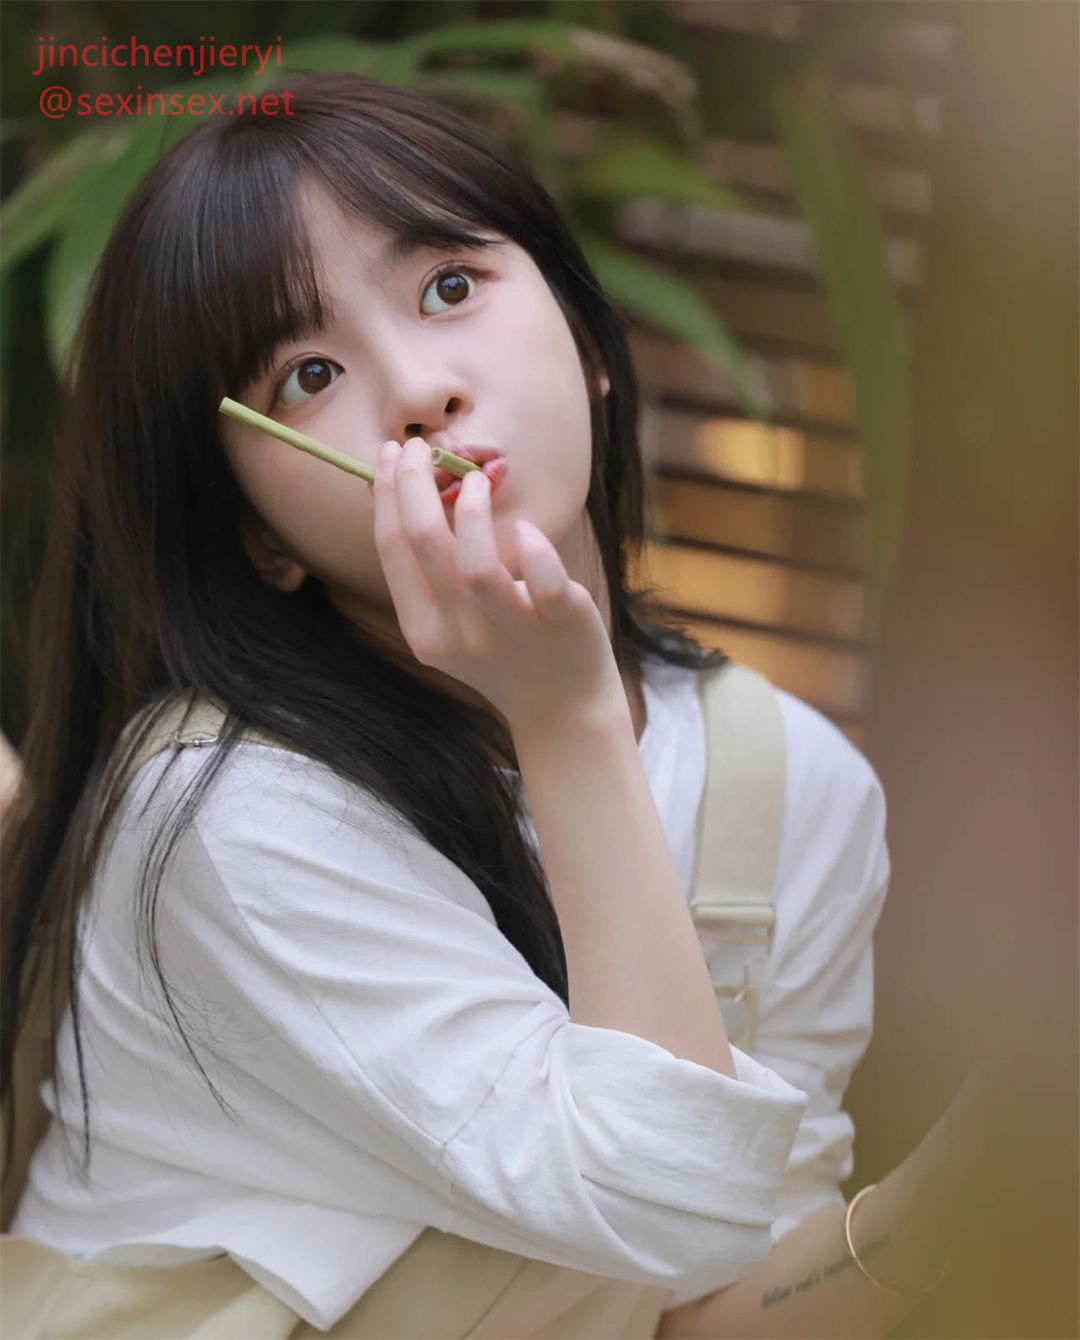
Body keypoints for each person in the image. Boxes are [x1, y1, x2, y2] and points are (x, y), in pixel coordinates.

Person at [0, 72, 1015, 1339]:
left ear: (587, 344)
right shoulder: (224, 816)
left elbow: (700, 1301)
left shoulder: (784, 782)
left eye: (448, 287)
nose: (418, 389)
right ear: (260, 537)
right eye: (308, 372)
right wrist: (568, 717)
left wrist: (973, 1179)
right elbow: (664, 1194)